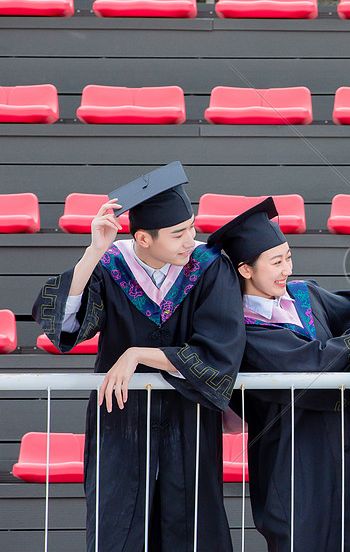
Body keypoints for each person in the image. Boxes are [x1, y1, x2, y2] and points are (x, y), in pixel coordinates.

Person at [32, 162, 245, 551]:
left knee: (192, 524)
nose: (190, 240)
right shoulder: (111, 266)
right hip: (121, 418)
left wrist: (138, 354)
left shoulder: (211, 267)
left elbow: (220, 351)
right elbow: (62, 327)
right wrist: (93, 252)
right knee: (118, 523)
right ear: (144, 238)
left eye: (192, 228)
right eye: (179, 233)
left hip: (189, 416)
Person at [207, 197, 350, 552]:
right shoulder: (241, 330)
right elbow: (314, 364)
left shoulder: (305, 293)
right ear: (245, 270)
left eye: (288, 257)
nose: (287, 268)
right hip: (296, 459)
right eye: (276, 261)